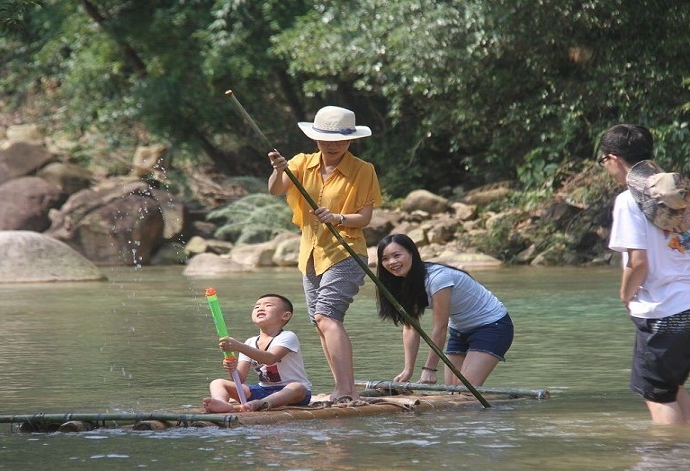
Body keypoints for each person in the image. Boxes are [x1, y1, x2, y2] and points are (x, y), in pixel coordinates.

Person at [597, 123, 690, 425]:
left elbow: (638, 262)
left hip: (664, 312)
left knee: (657, 395)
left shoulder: (628, 201)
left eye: (603, 161)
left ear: (612, 158)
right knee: (672, 388)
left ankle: (667, 467)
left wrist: (625, 296)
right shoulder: (685, 197)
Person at [268, 106, 382, 403]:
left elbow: (365, 217)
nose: (332, 146)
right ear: (316, 139)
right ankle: (343, 388)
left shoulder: (363, 169)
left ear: (350, 142)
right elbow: (274, 190)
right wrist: (278, 169)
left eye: (340, 141)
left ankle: (346, 390)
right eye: (325, 139)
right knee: (319, 322)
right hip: (310, 253)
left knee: (327, 316)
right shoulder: (301, 163)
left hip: (345, 251)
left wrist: (337, 217)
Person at [376, 233, 514, 386]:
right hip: (459, 331)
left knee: (464, 390)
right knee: (452, 391)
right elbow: (411, 328)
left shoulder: (438, 278)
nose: (392, 262)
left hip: (492, 326)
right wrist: (408, 370)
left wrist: (430, 369)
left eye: (397, 255)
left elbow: (440, 328)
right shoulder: (401, 284)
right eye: (385, 258)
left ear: (412, 253)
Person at [203, 293, 312, 412]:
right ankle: (221, 403)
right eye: (257, 306)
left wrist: (239, 346)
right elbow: (239, 379)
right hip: (262, 390)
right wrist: (232, 368)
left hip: (291, 393)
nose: (260, 308)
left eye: (268, 305)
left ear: (285, 316)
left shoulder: (288, 336)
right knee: (217, 383)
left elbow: (271, 359)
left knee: (296, 387)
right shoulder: (250, 342)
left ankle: (260, 404)